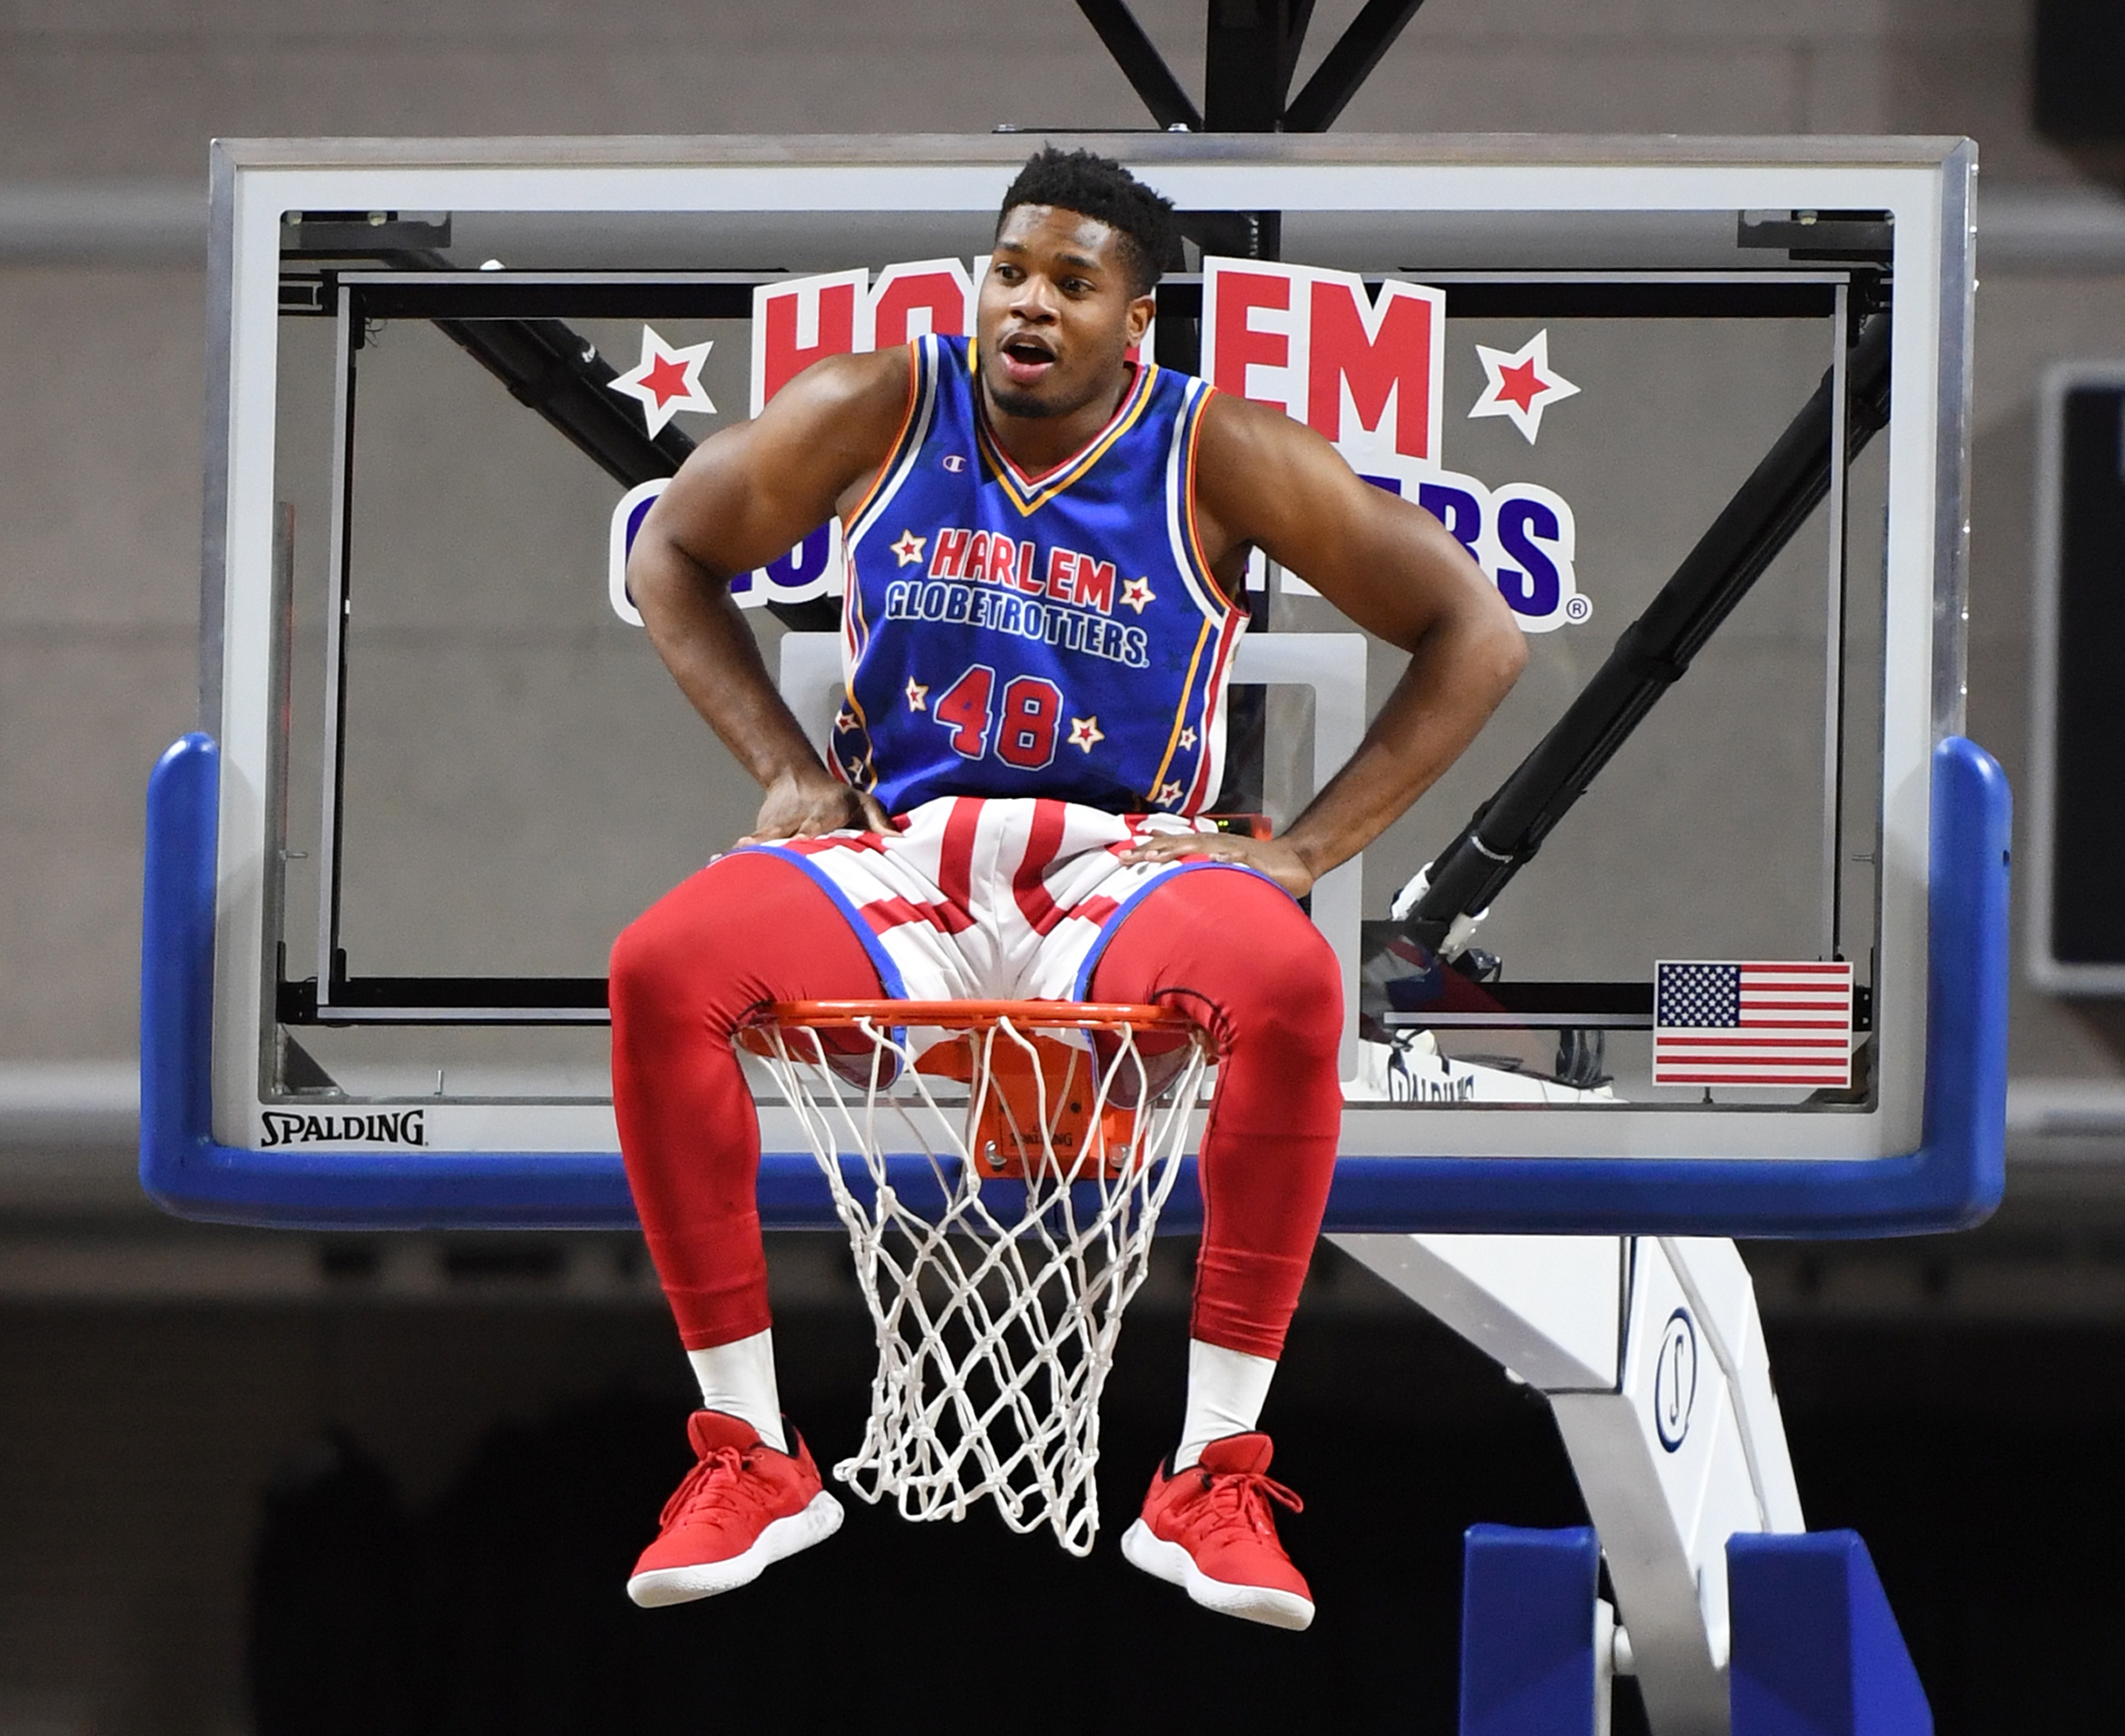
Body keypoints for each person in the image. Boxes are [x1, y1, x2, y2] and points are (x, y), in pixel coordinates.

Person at [610, 147, 1525, 1632]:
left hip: (1117, 860)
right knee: (662, 968)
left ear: (1134, 318)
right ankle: (750, 1453)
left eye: (1070, 283)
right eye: (1009, 271)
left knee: (1291, 981)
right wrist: (781, 764)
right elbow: (673, 550)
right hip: (902, 843)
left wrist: (1302, 852)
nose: (1027, 304)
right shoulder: (880, 403)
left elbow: (1475, 632)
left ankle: (1212, 1472)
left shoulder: (1216, 449)